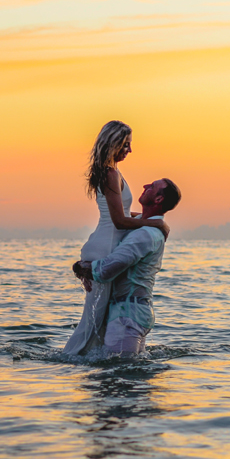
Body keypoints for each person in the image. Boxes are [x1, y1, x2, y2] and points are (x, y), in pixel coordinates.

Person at [61, 121, 169, 358]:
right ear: (114, 142)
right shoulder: (110, 174)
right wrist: (155, 223)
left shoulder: (111, 172)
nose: (129, 150)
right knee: (94, 317)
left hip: (106, 241)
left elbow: (123, 212)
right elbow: (119, 221)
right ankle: (73, 357)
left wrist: (147, 218)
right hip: (107, 245)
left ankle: (92, 357)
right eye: (127, 144)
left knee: (99, 317)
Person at [72, 178, 182, 356]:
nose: (145, 185)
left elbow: (108, 269)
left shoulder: (145, 235)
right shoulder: (144, 225)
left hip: (127, 315)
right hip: (130, 311)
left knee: (122, 372)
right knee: (122, 374)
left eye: (152, 187)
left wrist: (80, 267)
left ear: (159, 199)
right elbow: (121, 216)